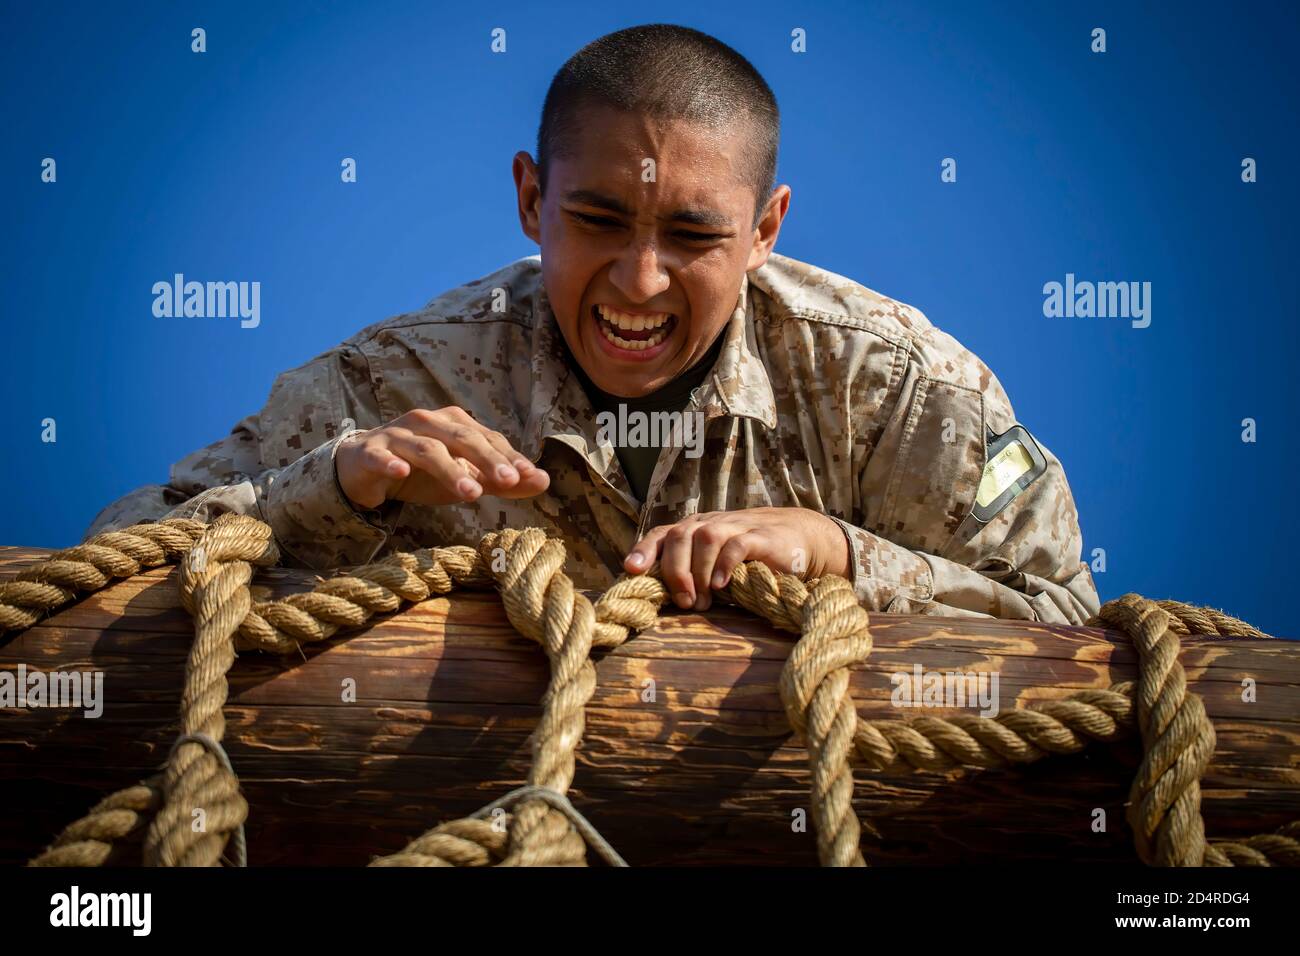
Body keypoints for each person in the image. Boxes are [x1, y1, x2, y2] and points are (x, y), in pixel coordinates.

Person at [86, 24, 1099, 623]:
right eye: (597, 219)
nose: (640, 278)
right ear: (531, 200)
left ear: (764, 230)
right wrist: (339, 484)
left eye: (692, 235)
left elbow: (1068, 622)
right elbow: (110, 560)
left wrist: (839, 549)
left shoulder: (891, 391)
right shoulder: (398, 384)